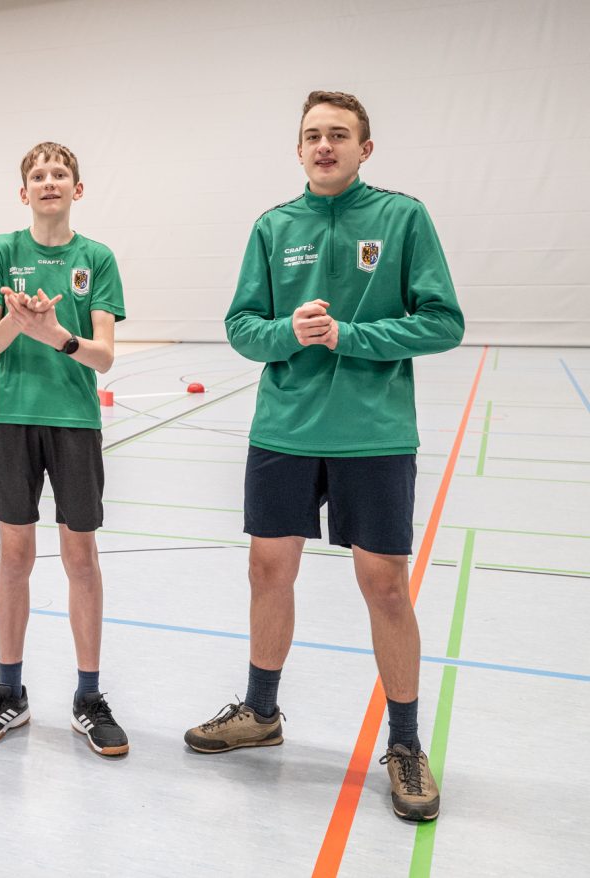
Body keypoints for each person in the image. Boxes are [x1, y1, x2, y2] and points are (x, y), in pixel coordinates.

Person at [183, 91, 464, 822]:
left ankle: (404, 744)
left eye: (339, 134)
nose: (324, 145)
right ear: (299, 148)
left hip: (374, 434)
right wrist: (289, 332)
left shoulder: (402, 218)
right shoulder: (274, 226)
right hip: (284, 430)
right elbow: (243, 326)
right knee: (267, 570)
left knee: (385, 586)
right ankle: (261, 712)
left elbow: (444, 322)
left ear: (364, 148)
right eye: (312, 135)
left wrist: (352, 337)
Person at [0, 142, 128, 757]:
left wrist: (56, 334)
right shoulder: (1, 253)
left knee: (81, 558)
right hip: (13, 420)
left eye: (59, 174)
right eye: (38, 174)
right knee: (15, 556)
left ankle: (89, 697)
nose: (48, 181)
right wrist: (18, 321)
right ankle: (10, 692)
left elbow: (103, 357)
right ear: (23, 191)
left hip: (74, 422)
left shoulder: (96, 258)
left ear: (77, 189)